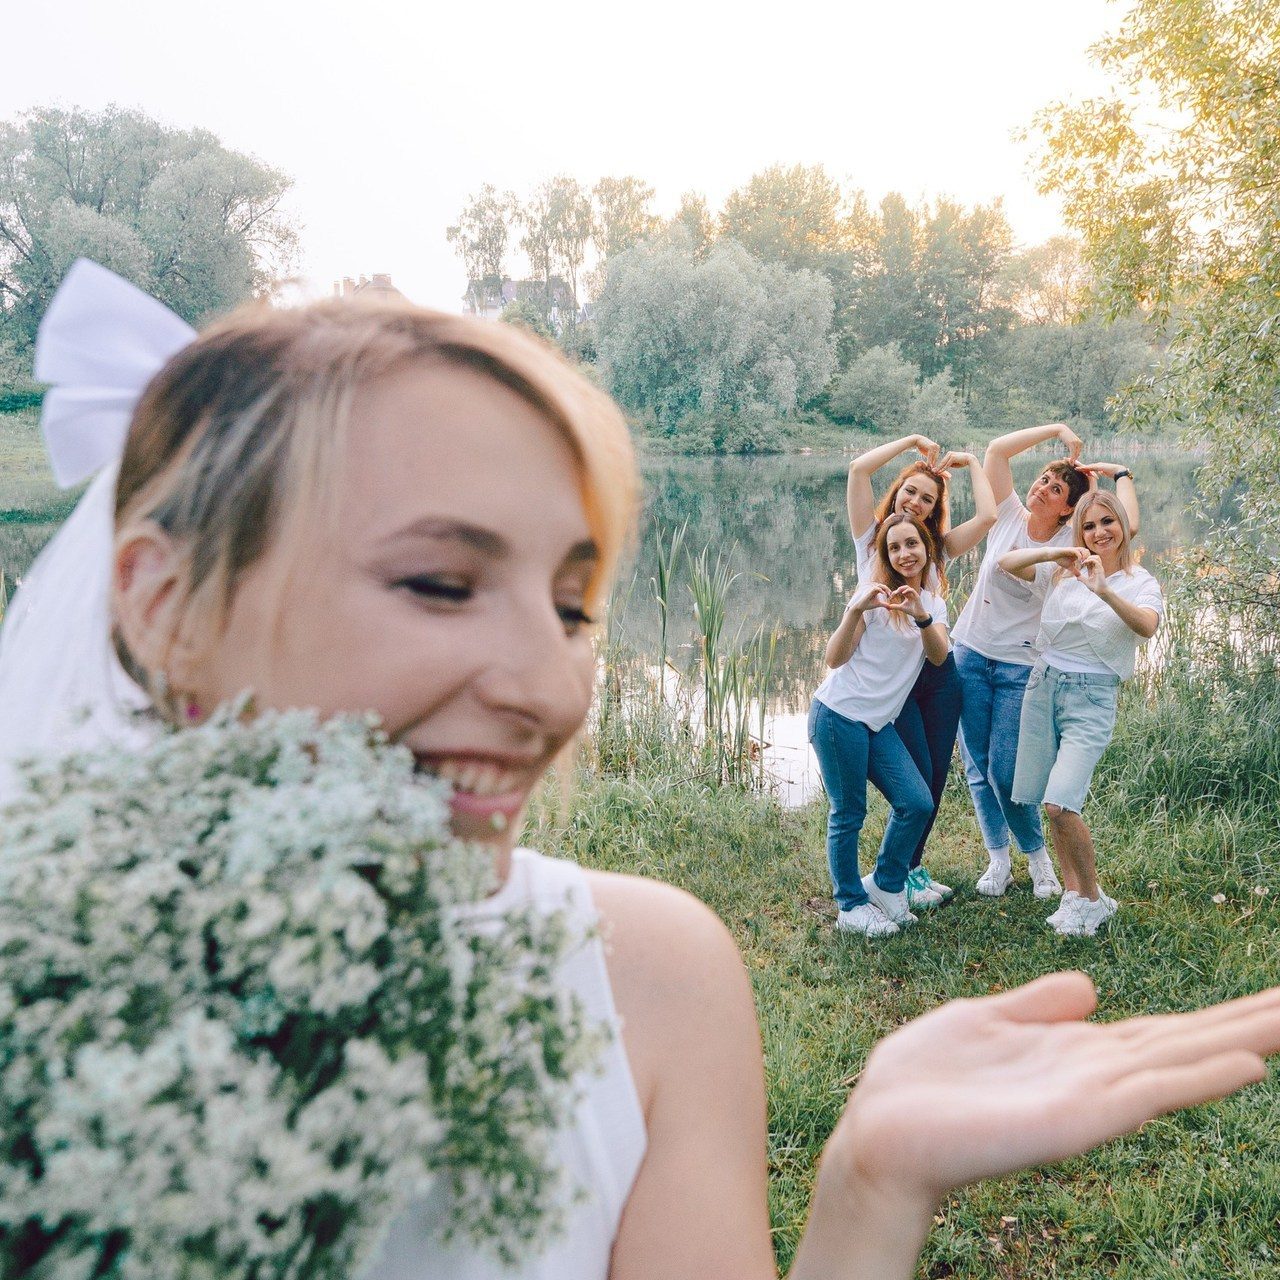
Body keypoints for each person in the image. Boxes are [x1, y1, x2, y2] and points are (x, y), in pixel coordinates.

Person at [14, 260, 1280, 1280]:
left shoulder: (658, 976)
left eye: (572, 605)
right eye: (441, 582)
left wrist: (866, 1191)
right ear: (165, 601)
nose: (555, 687)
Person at [950, 424, 1112, 899]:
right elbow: (996, 450)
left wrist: (1095, 485)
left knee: (1006, 770)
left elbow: (1105, 520)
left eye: (1056, 487)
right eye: (1042, 478)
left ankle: (1038, 858)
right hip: (970, 653)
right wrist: (1058, 431)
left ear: (1068, 506)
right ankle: (997, 860)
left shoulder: (1072, 543)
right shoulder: (1007, 516)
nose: (1042, 487)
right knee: (976, 766)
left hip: (1020, 667)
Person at [999, 490, 1162, 937]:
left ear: (1123, 525)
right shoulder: (1063, 573)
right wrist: (1059, 551)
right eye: (1089, 526)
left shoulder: (1139, 580)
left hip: (1091, 696)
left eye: (1107, 522)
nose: (1099, 533)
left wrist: (1104, 590)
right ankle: (1074, 894)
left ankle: (1092, 900)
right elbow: (1005, 564)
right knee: (1045, 798)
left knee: (1061, 802)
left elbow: (1147, 627)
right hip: (1043, 686)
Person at [845, 436, 996, 908]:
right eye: (910, 491)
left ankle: (910, 868)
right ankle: (898, 871)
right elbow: (857, 471)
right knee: (918, 773)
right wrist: (910, 442)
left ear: (934, 509)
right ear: (899, 490)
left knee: (933, 780)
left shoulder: (935, 548)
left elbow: (989, 518)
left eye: (927, 498)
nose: (916, 501)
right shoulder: (873, 541)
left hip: (940, 672)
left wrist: (972, 460)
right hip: (903, 677)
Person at [808, 513, 950, 938]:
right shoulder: (872, 597)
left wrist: (921, 614)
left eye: (912, 544)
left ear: (926, 550)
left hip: (877, 722)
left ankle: (887, 885)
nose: (904, 554)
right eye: (894, 547)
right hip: (840, 716)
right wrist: (855, 609)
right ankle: (850, 905)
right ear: (886, 556)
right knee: (849, 811)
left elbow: (939, 657)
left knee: (917, 802)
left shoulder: (933, 604)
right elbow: (834, 659)